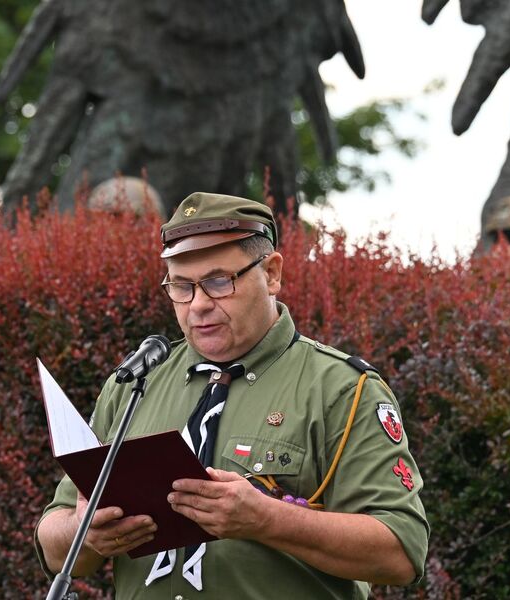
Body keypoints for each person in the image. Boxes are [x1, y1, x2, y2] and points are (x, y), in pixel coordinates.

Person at [35, 192, 429, 598]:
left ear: (272, 273)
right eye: (181, 286)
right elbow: (53, 542)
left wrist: (267, 520)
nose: (198, 305)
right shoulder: (135, 385)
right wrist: (85, 533)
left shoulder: (341, 389)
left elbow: (401, 550)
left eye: (219, 282)